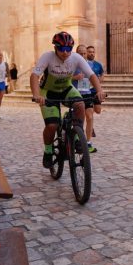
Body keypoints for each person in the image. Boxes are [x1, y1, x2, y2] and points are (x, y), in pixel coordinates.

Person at [30, 31, 105, 169]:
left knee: (80, 104)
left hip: (66, 89)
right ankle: (48, 151)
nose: (65, 53)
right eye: (62, 49)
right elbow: (34, 76)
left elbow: (92, 75)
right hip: (48, 92)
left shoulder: (76, 58)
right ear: (55, 48)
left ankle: (77, 138)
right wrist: (36, 94)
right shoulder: (48, 57)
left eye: (68, 49)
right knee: (52, 126)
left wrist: (99, 90)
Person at [72, 45, 97, 153]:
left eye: (84, 53)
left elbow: (93, 78)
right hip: (76, 93)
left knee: (90, 117)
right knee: (80, 118)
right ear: (76, 53)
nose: (82, 55)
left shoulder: (90, 64)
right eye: (80, 53)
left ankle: (88, 142)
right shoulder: (72, 64)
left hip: (87, 92)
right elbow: (64, 78)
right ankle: (78, 139)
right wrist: (75, 78)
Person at [86, 45, 104, 137]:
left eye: (93, 52)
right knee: (89, 111)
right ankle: (90, 126)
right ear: (86, 53)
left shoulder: (98, 65)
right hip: (86, 91)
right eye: (89, 51)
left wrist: (98, 81)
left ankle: (90, 119)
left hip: (95, 90)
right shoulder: (83, 63)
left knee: (98, 110)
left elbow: (102, 75)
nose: (91, 53)